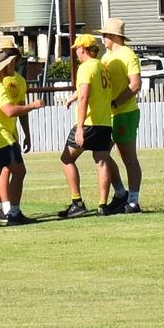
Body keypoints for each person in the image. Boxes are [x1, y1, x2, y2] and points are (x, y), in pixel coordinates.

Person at [0, 49, 45, 226]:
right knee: (19, 171)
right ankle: (14, 213)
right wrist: (34, 105)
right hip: (2, 137)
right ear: (2, 67)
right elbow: (10, 110)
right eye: (8, 63)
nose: (11, 66)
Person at [59, 33, 126, 217]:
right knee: (102, 161)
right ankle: (102, 205)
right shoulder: (102, 67)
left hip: (89, 123)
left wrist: (79, 127)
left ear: (83, 49)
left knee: (66, 159)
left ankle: (77, 202)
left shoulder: (86, 68)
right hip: (104, 123)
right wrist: (72, 97)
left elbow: (84, 96)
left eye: (77, 50)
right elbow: (89, 91)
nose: (76, 54)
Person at [99, 18, 143, 214]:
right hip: (106, 114)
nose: (102, 39)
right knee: (100, 154)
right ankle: (119, 193)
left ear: (114, 36)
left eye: (105, 35)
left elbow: (135, 84)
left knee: (127, 156)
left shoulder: (128, 55)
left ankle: (133, 200)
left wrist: (116, 102)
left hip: (124, 112)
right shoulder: (105, 57)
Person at [0, 36, 33, 221]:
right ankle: (7, 210)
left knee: (2, 171)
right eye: (6, 55)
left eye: (12, 55)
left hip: (10, 131)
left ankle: (1, 209)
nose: (10, 59)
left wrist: (27, 134)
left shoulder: (20, 81)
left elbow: (21, 110)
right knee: (2, 171)